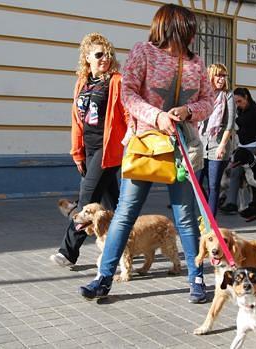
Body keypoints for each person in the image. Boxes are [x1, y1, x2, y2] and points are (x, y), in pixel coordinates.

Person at [78, 4, 214, 303]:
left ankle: (197, 278)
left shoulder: (196, 63)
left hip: (181, 148)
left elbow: (208, 101)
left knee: (186, 217)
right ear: (172, 27)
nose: (193, 34)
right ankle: (103, 278)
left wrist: (188, 110)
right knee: (125, 214)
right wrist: (158, 116)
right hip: (145, 145)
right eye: (188, 27)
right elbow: (128, 94)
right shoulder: (144, 52)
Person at [49, 33, 127, 268]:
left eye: (108, 54)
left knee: (87, 197)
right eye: (99, 54)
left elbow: (127, 114)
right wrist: (77, 152)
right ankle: (127, 242)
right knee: (114, 203)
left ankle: (68, 252)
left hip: (108, 148)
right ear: (87, 57)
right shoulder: (82, 83)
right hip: (90, 149)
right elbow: (76, 119)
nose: (105, 58)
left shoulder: (116, 81)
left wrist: (129, 140)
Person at [197, 63, 236, 217]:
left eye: (224, 75)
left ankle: (210, 221)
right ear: (210, 76)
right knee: (197, 183)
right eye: (218, 75)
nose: (221, 79)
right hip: (200, 141)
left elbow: (230, 123)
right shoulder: (202, 95)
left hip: (217, 142)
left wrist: (222, 146)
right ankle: (206, 210)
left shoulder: (228, 95)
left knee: (213, 185)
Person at [219, 87, 256, 214]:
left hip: (254, 146)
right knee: (235, 172)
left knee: (254, 177)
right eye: (236, 102)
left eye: (239, 101)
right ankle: (231, 203)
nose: (237, 104)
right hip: (242, 146)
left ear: (246, 97)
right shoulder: (240, 110)